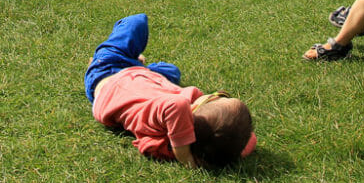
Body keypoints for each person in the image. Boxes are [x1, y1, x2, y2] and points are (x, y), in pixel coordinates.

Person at [84, 13, 257, 168]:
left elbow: (176, 106)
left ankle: (108, 61)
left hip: (107, 75)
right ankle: (138, 64)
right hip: (143, 82)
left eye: (216, 97)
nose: (212, 94)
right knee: (171, 71)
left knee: (136, 22)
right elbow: (248, 140)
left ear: (192, 112)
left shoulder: (173, 112)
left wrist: (186, 158)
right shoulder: (174, 144)